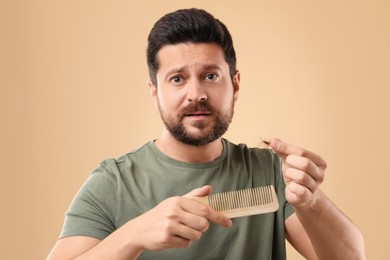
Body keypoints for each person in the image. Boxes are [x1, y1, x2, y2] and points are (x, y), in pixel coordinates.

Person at [47, 8, 365, 260]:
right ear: (154, 91)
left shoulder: (271, 171)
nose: (196, 94)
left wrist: (311, 202)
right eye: (177, 79)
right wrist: (133, 235)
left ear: (235, 84)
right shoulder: (113, 184)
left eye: (210, 75)